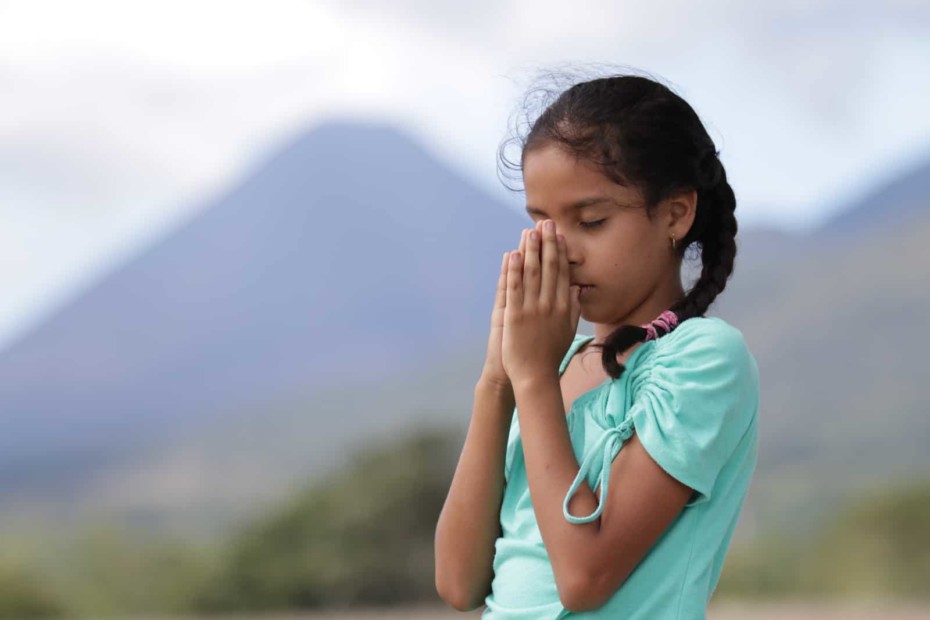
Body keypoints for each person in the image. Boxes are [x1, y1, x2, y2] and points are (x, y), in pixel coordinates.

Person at [434, 69, 760, 619]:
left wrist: (532, 380)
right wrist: (497, 384)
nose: (563, 251)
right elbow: (459, 584)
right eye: (542, 224)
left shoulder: (703, 359)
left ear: (676, 213)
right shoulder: (552, 366)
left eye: (591, 221)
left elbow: (584, 578)